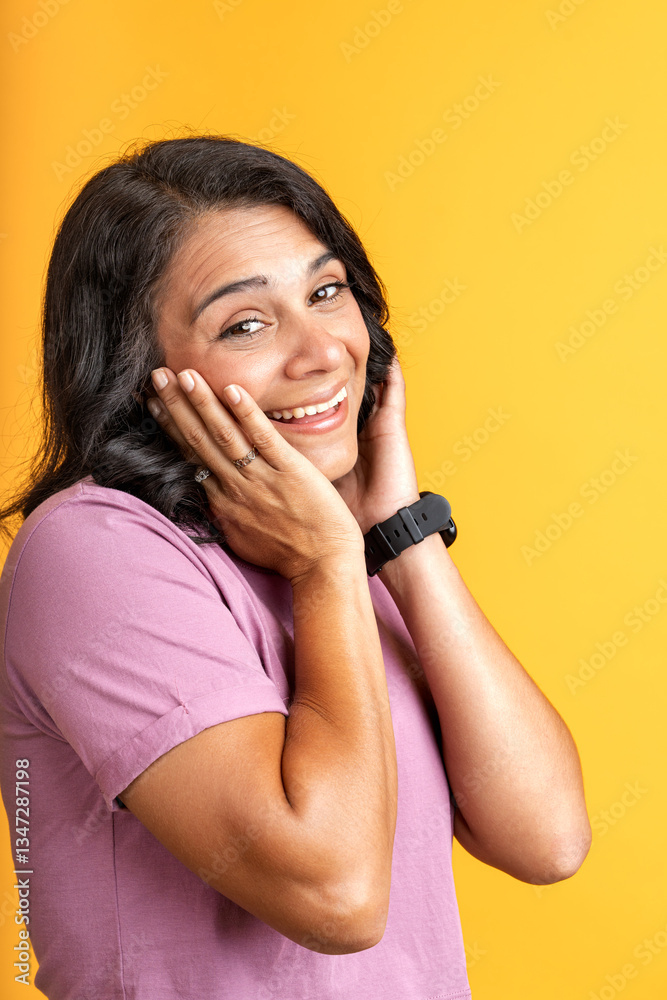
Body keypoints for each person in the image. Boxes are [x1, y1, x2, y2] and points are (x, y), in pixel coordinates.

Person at [0, 134, 591, 1000]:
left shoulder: (326, 536)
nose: (320, 354)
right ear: (140, 376)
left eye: (326, 292)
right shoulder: (94, 551)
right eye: (246, 323)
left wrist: (398, 534)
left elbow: (546, 839)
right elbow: (337, 896)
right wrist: (325, 566)